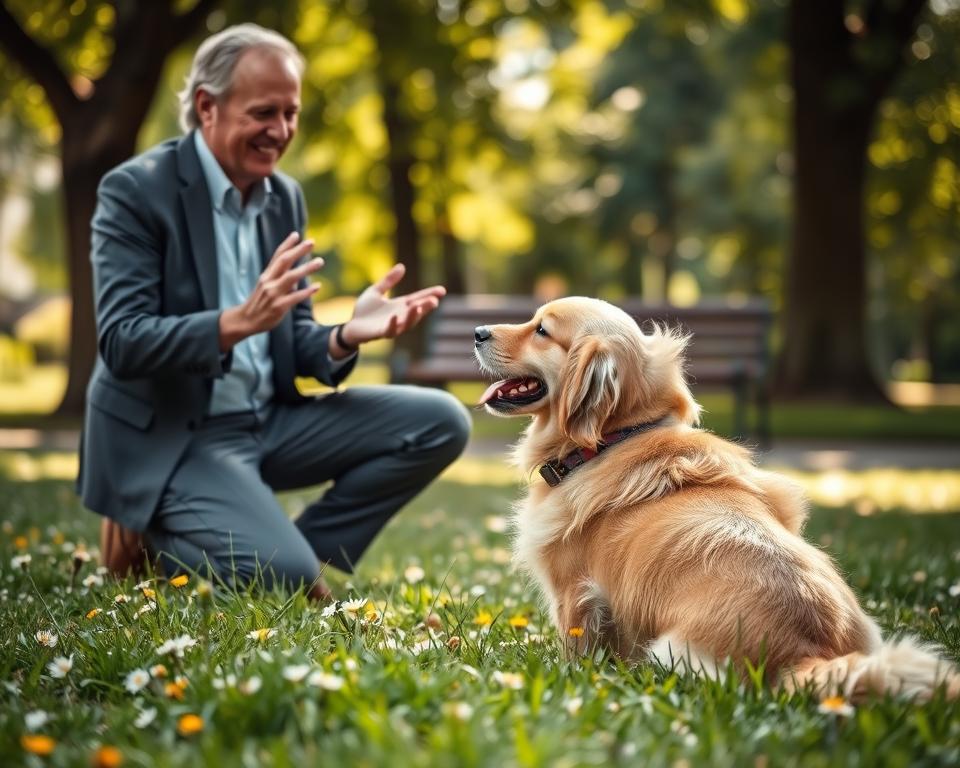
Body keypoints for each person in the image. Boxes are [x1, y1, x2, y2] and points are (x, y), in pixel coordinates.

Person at [78, 23, 471, 599]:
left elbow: (296, 341)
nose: (281, 131)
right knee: (282, 579)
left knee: (440, 421)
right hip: (183, 435)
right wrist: (236, 321)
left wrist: (345, 336)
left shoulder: (282, 197)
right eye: (264, 113)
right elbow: (122, 341)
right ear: (208, 107)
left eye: (290, 114)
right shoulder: (136, 192)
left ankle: (276, 546)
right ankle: (173, 535)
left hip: (269, 422)